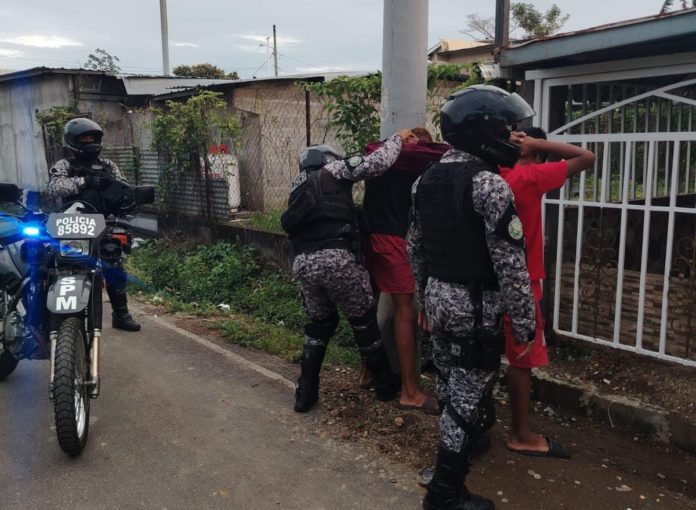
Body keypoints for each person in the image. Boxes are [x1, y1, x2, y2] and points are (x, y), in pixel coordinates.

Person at [408, 85, 537, 510]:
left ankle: (464, 451)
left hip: (439, 299)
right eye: (505, 130)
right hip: (474, 306)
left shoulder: (425, 180)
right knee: (464, 398)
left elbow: (415, 248)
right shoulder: (489, 185)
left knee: (451, 387)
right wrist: (525, 325)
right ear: (482, 133)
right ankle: (444, 494)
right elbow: (510, 264)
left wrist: (423, 302)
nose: (512, 137)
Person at [281, 129, 413, 413]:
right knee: (363, 321)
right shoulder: (333, 170)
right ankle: (385, 385)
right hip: (337, 259)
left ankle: (305, 394)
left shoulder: (297, 187)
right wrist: (397, 139)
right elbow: (377, 163)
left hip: (304, 265)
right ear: (328, 159)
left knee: (320, 325)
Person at [499, 127, 595, 458]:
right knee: (521, 358)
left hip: (488, 278)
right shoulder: (533, 176)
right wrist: (538, 143)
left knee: (481, 352)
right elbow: (587, 157)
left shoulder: (494, 174)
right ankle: (520, 434)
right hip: (524, 280)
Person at [360, 127, 449, 414]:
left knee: (369, 305)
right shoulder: (417, 161)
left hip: (368, 236)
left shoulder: (381, 155)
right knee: (405, 310)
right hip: (393, 239)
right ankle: (409, 392)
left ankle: (368, 372)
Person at [47, 118, 141, 332]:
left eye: (92, 138)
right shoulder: (64, 165)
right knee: (50, 261)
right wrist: (84, 182)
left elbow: (126, 189)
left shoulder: (108, 165)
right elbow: (54, 187)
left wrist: (119, 190)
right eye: (84, 139)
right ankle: (46, 314)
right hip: (70, 224)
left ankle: (121, 314)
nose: (89, 142)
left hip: (104, 223)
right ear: (73, 142)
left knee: (113, 261)